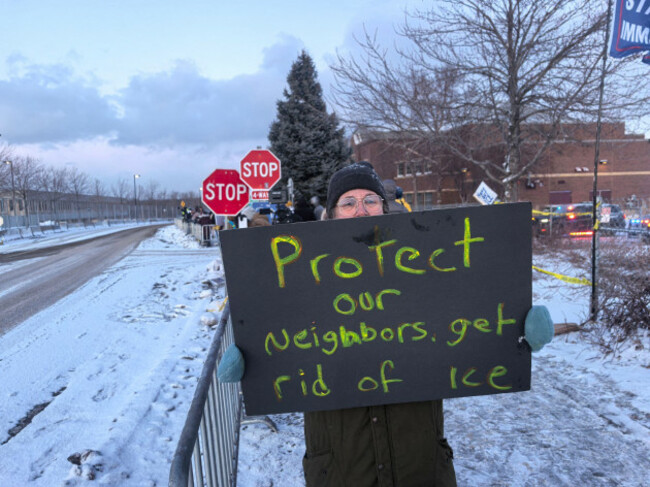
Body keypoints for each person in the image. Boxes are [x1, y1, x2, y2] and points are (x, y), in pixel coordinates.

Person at [218, 161, 555, 487]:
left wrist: (518, 333)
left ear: (384, 207)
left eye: (370, 201)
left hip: (418, 465)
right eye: (348, 203)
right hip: (341, 469)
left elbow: (468, 325)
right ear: (331, 213)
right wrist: (251, 360)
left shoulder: (423, 268)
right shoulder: (298, 279)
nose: (361, 210)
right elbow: (281, 342)